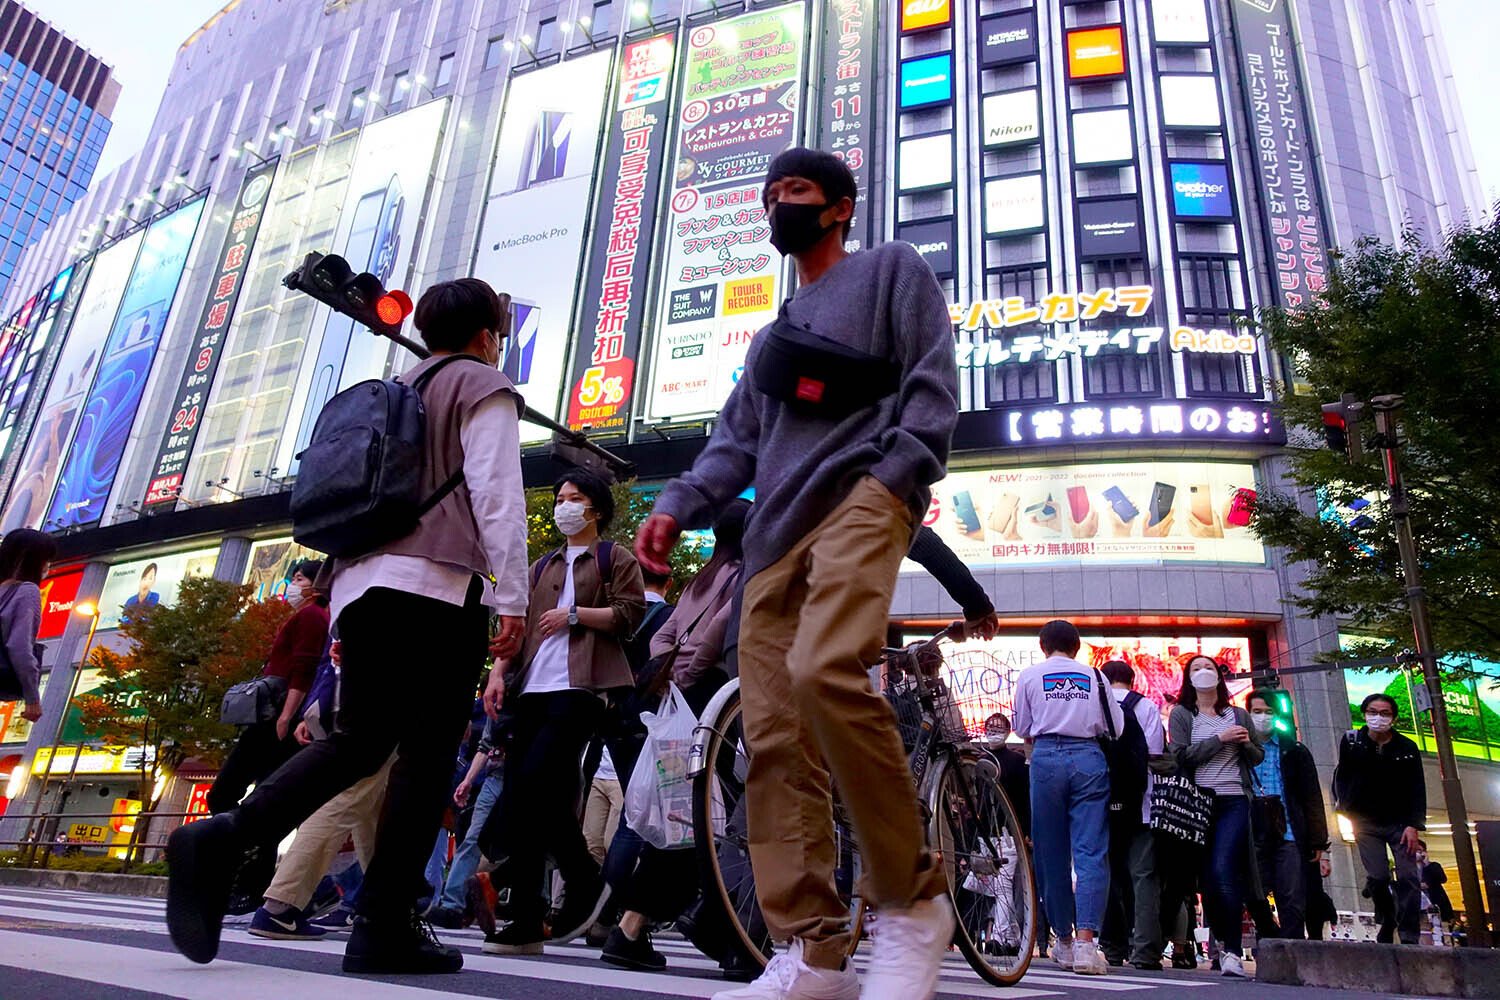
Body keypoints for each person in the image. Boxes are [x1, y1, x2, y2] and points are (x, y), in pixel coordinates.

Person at [635, 147, 960, 1000]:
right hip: (768, 538)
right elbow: (733, 440)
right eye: (771, 192)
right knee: (774, 741)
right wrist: (677, 504)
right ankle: (813, 954)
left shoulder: (892, 269)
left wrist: (901, 470)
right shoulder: (771, 337)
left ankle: (910, 899)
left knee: (826, 669)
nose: (781, 203)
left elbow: (931, 382)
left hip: (862, 494)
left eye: (799, 191)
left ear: (841, 205)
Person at [166, 277, 529, 975]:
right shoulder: (483, 386)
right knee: (424, 761)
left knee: (362, 743)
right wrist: (510, 599)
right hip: (439, 589)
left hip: (361, 586)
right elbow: (496, 494)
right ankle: (384, 925)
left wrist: (339, 606)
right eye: (499, 331)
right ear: (486, 335)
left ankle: (228, 833)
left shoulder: (394, 387)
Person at [480, 470, 645, 956]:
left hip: (582, 688)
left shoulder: (614, 558)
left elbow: (630, 615)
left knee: (531, 782)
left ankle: (518, 880)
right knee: (541, 798)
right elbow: (519, 628)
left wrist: (575, 616)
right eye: (560, 497)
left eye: (574, 498)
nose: (564, 505)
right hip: (532, 688)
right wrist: (497, 671)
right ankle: (535, 914)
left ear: (595, 508)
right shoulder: (540, 566)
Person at [208, 559, 330, 913]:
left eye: (299, 578)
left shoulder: (310, 617)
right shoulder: (313, 617)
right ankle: (253, 881)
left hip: (276, 719)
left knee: (226, 793)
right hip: (279, 718)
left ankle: (248, 877)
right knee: (265, 799)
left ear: (316, 585)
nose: (293, 584)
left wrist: (287, 716)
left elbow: (304, 668)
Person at [1012, 619, 1123, 976]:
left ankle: (1062, 939)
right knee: (1091, 852)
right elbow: (1116, 727)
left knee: (1051, 853)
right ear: (1077, 646)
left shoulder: (1030, 676)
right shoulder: (1095, 676)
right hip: (1089, 758)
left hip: (1045, 759)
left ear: (1043, 645)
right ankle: (1087, 946)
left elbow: (1021, 727)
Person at [1167, 655, 1263, 978]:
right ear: (1188, 678)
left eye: (1208, 668)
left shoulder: (1237, 714)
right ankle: (1220, 943)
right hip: (1197, 805)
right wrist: (1219, 740)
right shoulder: (1182, 715)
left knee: (1225, 869)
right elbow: (1180, 756)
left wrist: (1246, 743)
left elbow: (1257, 757)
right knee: (1207, 878)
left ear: (1220, 677)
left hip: (1234, 800)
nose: (1203, 673)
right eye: (1196, 669)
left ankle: (1234, 950)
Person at [1333, 692, 1426, 945]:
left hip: (1400, 823)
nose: (1378, 718)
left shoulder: (1406, 747)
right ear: (1364, 714)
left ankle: (1409, 936)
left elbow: (1417, 788)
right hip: (1366, 822)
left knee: (1408, 878)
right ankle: (1388, 918)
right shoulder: (1352, 741)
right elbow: (1343, 777)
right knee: (1378, 876)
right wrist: (1346, 811)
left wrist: (1413, 825)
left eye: (1385, 713)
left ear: (1393, 717)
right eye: (1373, 712)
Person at [1244, 689, 1329, 941]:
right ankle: (1268, 939)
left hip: (1289, 832)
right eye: (1257, 711)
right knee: (1254, 893)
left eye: (1268, 712)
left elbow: (1311, 796)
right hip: (1251, 832)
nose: (1262, 717)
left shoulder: (1294, 749)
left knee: (1291, 896)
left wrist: (1318, 841)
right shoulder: (1239, 747)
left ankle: (1293, 948)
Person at [1099, 659, 1165, 970]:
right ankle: (1146, 951)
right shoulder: (1148, 707)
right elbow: (1154, 754)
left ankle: (1113, 947)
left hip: (1103, 804)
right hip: (1142, 803)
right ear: (1132, 680)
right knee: (1144, 876)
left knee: (1108, 875)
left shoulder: (1095, 704)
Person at [425, 715, 504, 929]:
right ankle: (452, 905)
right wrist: (467, 780)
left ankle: (535, 907)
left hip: (527, 775)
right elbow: (485, 744)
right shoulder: (501, 702)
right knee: (472, 839)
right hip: (495, 775)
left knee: (527, 845)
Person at [0, 528, 57, 725]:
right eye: (46, 559)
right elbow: (19, 647)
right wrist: (32, 698)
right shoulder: (27, 591)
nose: (48, 565)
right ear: (33, 560)